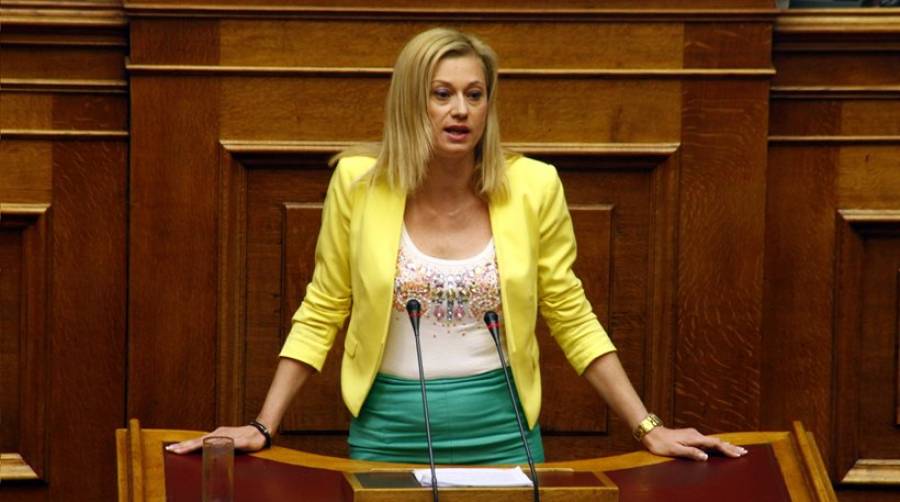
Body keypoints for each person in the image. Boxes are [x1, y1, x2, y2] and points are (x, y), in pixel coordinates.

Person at [168, 27, 746, 464]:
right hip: (387, 432)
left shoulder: (534, 186)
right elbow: (323, 307)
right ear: (410, 102)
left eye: (475, 94)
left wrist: (649, 428)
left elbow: (571, 315)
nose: (461, 110)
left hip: (504, 433)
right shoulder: (358, 184)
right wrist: (263, 426)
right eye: (441, 94)